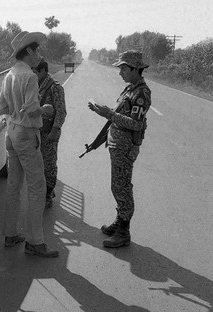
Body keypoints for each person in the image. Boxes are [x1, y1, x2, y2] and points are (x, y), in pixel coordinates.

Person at [0, 31, 59, 258]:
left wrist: (16, 109)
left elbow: (0, 108)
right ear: (29, 51)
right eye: (37, 50)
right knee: (36, 187)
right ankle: (35, 241)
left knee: (14, 186)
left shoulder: (9, 75)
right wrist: (45, 109)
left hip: (11, 131)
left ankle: (11, 233)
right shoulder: (30, 77)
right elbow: (31, 108)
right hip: (26, 132)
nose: (39, 55)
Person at [87, 50, 151, 248]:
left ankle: (124, 231)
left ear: (135, 69)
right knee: (118, 185)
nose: (120, 72)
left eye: (123, 68)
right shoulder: (130, 89)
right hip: (117, 144)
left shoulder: (141, 93)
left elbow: (136, 124)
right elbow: (120, 115)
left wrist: (110, 115)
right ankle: (119, 222)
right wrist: (103, 112)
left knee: (121, 187)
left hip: (125, 148)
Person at [33, 60, 67, 209]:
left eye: (35, 72)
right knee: (38, 164)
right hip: (36, 132)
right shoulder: (36, 86)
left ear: (42, 71)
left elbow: (61, 111)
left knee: (49, 165)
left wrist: (54, 130)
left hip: (49, 132)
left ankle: (48, 192)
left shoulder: (55, 87)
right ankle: (42, 190)